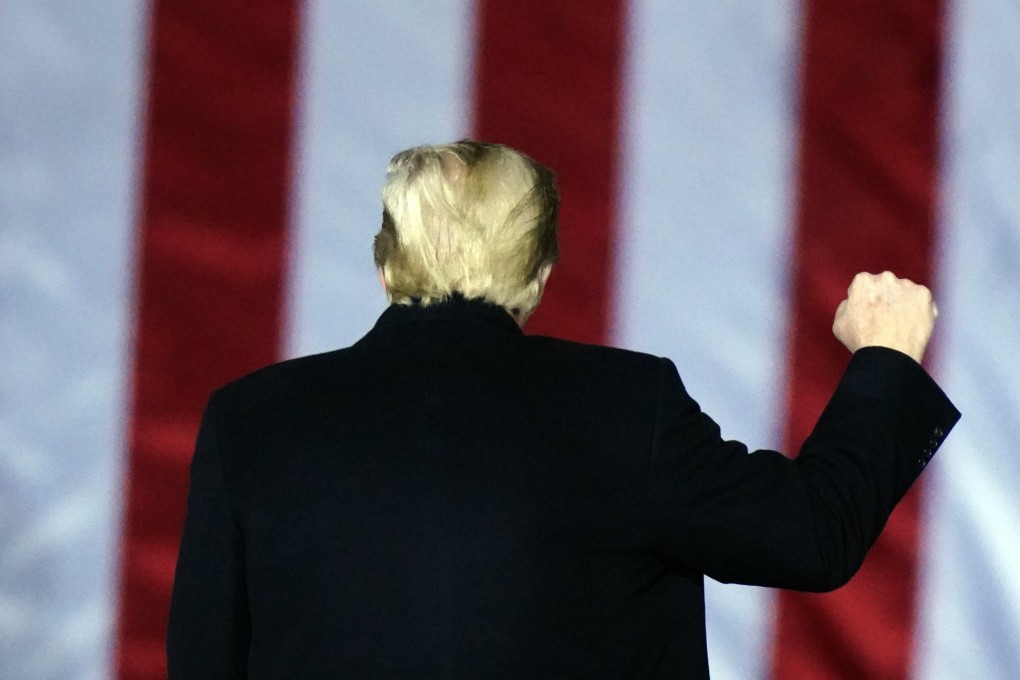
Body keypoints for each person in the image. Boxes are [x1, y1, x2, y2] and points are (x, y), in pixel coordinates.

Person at [166, 140, 959, 679]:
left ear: (385, 267)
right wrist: (885, 360)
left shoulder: (249, 422)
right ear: (539, 274)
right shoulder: (626, 409)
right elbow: (813, 534)